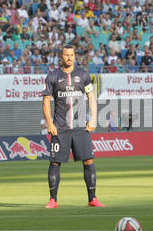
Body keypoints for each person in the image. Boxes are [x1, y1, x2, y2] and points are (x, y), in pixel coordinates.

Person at [42, 45, 105, 209]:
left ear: (74, 56)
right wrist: (49, 123)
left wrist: (93, 120)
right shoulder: (52, 76)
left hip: (80, 127)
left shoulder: (83, 75)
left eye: (72, 55)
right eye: (66, 55)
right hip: (60, 127)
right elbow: (46, 102)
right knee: (55, 162)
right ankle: (53, 200)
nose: (69, 57)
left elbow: (91, 97)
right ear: (61, 56)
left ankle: (92, 198)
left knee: (89, 161)